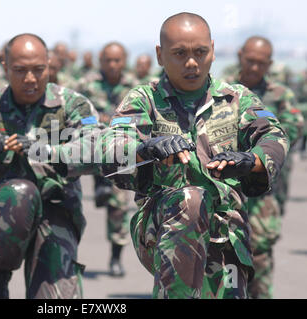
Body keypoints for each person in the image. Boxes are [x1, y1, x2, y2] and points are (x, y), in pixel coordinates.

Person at [97, 12, 289, 298]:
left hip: (227, 231)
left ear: (212, 50)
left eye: (200, 52)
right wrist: (144, 149)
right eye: (179, 53)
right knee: (191, 198)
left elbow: (274, 135)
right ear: (160, 55)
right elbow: (110, 144)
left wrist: (253, 160)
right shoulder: (144, 99)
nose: (191, 63)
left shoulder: (237, 98)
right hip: (165, 229)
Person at [0, 33, 101, 299]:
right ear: (5, 68)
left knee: (55, 301)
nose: (30, 79)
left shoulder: (72, 104)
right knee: (19, 191)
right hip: (7, 212)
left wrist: (45, 150)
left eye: (39, 70)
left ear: (50, 65)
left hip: (57, 209)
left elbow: (98, 150)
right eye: (20, 70)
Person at [227, 36, 304, 298]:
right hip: (227, 181)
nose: (255, 68)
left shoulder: (280, 95)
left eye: (262, 63)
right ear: (240, 56)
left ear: (269, 63)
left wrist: (262, 149)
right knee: (227, 250)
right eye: (250, 61)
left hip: (264, 183)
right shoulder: (224, 90)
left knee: (259, 247)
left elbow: (293, 127)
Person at [76, 42, 137, 277]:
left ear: (124, 61)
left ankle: (115, 258)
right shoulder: (86, 83)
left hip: (119, 153)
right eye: (108, 60)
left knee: (119, 207)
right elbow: (73, 112)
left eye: (117, 60)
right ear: (101, 61)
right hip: (87, 150)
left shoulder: (134, 87)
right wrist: (93, 120)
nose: (112, 65)